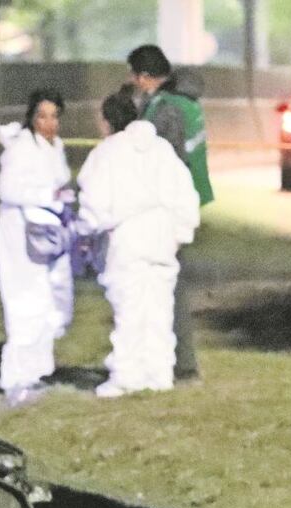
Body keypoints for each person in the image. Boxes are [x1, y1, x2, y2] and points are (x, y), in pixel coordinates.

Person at [76, 93, 200, 398]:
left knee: (129, 310)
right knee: (159, 308)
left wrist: (86, 230)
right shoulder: (162, 150)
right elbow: (185, 193)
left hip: (127, 239)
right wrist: (180, 232)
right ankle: (159, 373)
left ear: (106, 121)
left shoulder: (107, 153)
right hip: (162, 238)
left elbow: (94, 202)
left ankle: (126, 375)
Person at [127, 44, 213, 383]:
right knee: (170, 282)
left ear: (145, 76)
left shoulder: (166, 109)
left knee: (169, 286)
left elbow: (166, 163)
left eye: (135, 77)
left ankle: (182, 364)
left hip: (168, 210)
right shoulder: (185, 101)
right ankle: (173, 361)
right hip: (183, 204)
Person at [0, 88, 75, 406]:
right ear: (31, 117)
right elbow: (8, 189)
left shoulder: (55, 147)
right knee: (25, 303)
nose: (49, 123)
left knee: (50, 302)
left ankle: (37, 371)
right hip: (20, 235)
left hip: (47, 234)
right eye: (42, 116)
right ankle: (16, 378)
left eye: (54, 116)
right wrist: (47, 196)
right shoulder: (21, 148)